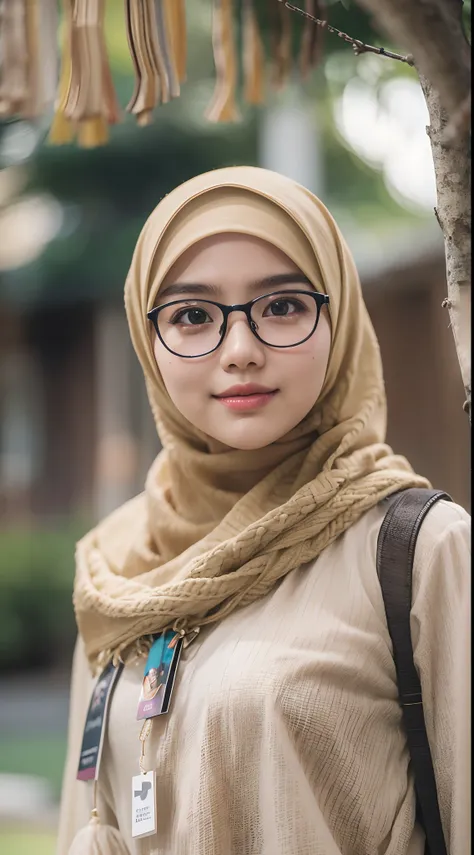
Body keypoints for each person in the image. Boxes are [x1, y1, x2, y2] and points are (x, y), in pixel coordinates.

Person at [57, 166, 470, 855]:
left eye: (281, 306)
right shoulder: (116, 568)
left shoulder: (419, 548)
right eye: (193, 315)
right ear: (147, 338)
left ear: (337, 318)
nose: (241, 351)